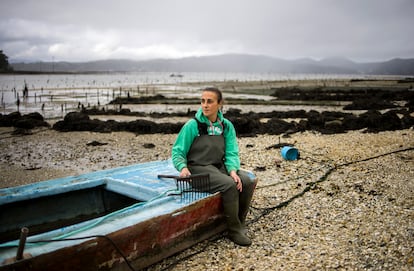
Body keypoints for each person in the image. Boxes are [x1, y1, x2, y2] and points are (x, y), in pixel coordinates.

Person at [172, 87, 256, 246]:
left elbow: (232, 152)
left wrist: (232, 170)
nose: (205, 105)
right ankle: (234, 230)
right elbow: (177, 151)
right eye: (202, 101)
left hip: (218, 167)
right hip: (197, 169)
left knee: (247, 181)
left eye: (209, 101)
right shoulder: (193, 125)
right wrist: (182, 167)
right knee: (229, 185)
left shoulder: (226, 126)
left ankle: (239, 222)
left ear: (219, 104)